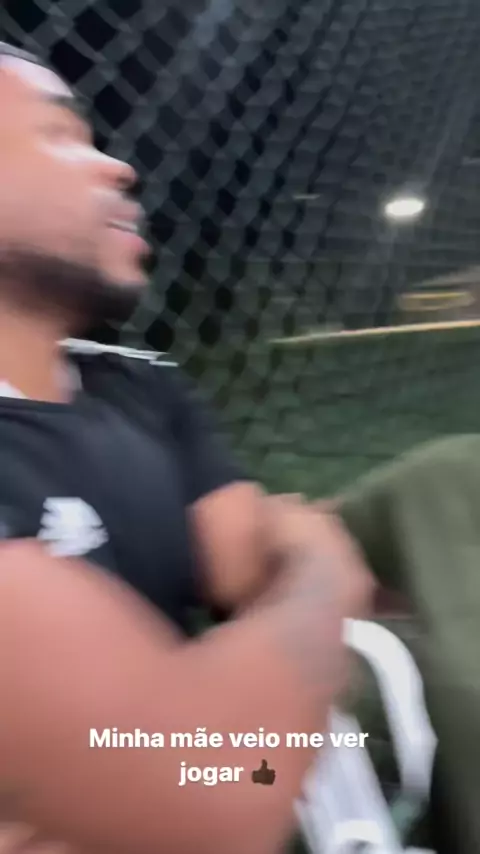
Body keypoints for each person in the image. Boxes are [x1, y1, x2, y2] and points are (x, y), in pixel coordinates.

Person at [0, 42, 374, 854]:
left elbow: (242, 568)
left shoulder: (135, 382)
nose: (119, 168)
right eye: (58, 135)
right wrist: (326, 568)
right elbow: (218, 787)